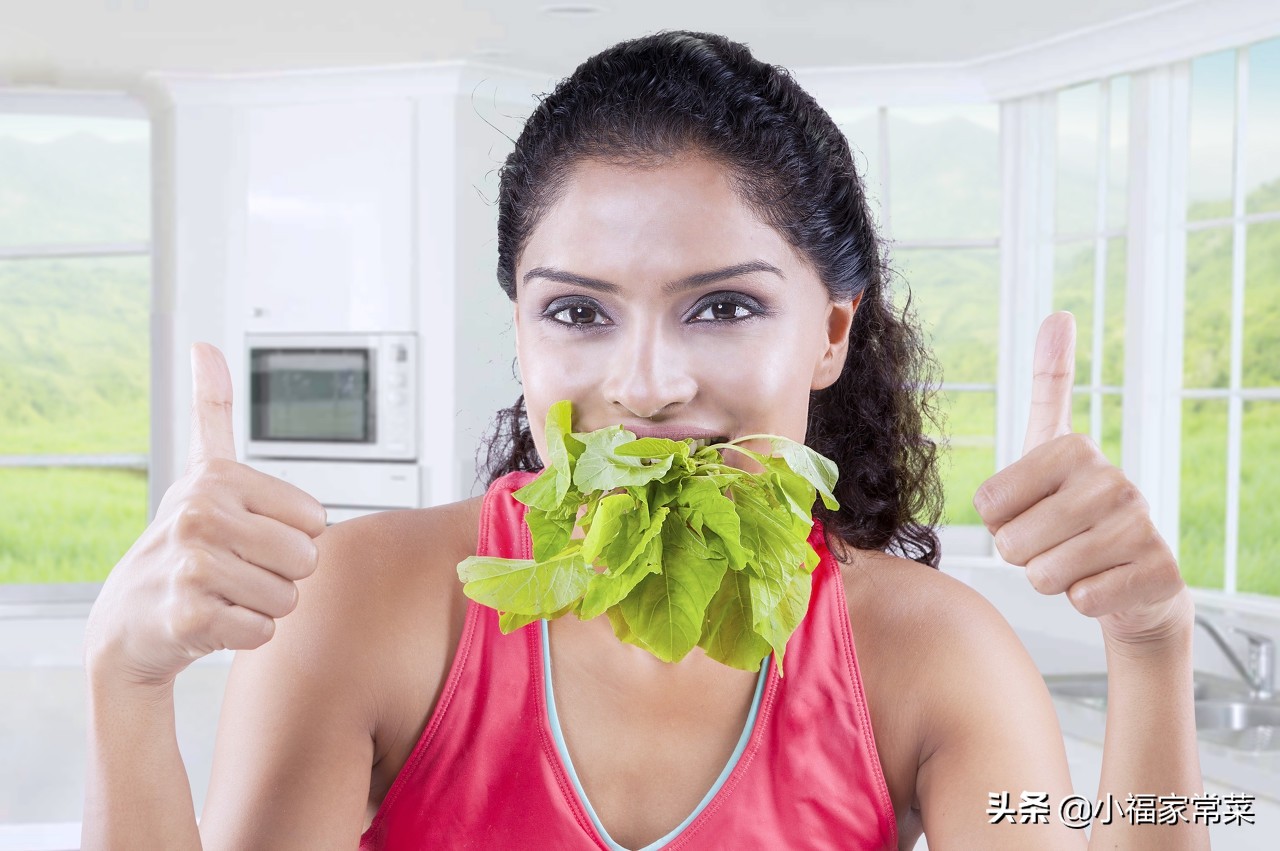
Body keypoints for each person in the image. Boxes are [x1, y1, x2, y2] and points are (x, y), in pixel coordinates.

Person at [82, 30, 1207, 850]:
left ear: (828, 333)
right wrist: (123, 678)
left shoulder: (930, 652)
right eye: (576, 311)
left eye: (722, 306)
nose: (648, 383)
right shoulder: (362, 598)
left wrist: (1152, 649)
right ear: (521, 336)